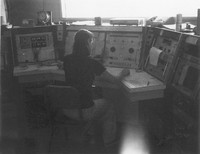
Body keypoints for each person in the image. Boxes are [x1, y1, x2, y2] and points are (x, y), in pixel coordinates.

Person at [63, 29, 130, 147]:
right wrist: (123, 73)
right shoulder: (92, 63)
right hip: (83, 111)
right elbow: (114, 81)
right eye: (91, 41)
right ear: (88, 42)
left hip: (66, 108)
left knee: (94, 96)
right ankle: (109, 141)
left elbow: (76, 75)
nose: (92, 44)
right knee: (109, 106)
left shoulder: (66, 60)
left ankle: (90, 132)